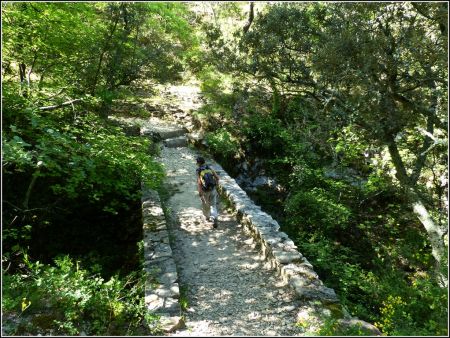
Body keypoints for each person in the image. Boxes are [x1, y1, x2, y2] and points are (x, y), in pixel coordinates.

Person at [196, 156, 220, 228]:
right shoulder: (209, 168)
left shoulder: (198, 171)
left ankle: (207, 217)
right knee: (213, 205)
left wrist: (200, 192)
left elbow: (199, 182)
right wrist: (216, 186)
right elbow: (217, 178)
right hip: (212, 189)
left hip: (205, 191)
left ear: (198, 163)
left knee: (205, 204)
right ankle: (214, 217)